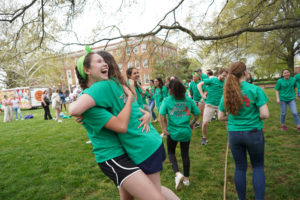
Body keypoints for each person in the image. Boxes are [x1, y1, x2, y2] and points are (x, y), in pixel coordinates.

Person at [69, 49, 179, 200]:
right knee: (153, 191)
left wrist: (145, 113)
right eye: (99, 62)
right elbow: (74, 109)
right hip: (117, 154)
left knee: (151, 191)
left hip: (136, 148)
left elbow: (130, 113)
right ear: (86, 70)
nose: (105, 65)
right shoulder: (111, 86)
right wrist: (134, 103)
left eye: (105, 61)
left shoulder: (109, 87)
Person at [218, 61, 269, 200]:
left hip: (234, 134)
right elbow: (265, 114)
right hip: (253, 133)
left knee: (240, 167)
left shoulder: (227, 92)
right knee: (257, 166)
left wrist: (233, 117)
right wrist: (253, 116)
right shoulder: (255, 89)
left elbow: (220, 116)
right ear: (245, 73)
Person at [159, 79, 200, 190]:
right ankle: (186, 179)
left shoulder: (167, 100)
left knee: (171, 152)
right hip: (186, 132)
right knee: (185, 154)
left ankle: (177, 174)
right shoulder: (188, 100)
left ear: (171, 90)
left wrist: (163, 129)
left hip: (172, 132)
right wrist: (192, 123)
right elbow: (197, 113)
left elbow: (161, 116)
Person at [198, 68, 228, 145]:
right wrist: (202, 95)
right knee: (204, 123)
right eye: (223, 75)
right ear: (219, 74)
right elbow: (199, 85)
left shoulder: (226, 82)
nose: (224, 77)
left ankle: (231, 138)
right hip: (209, 105)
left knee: (228, 122)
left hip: (221, 106)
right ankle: (204, 138)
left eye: (226, 76)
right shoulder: (212, 80)